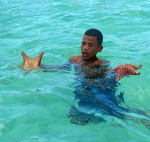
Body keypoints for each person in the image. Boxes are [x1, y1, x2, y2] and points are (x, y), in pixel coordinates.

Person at [20, 29, 150, 127]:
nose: (85, 48)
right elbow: (61, 68)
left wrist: (118, 71)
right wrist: (38, 66)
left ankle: (143, 118)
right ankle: (139, 114)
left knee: (116, 112)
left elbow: (107, 78)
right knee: (75, 118)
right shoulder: (74, 60)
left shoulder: (102, 63)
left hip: (99, 91)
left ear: (99, 48)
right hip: (83, 91)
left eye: (90, 45)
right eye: (83, 43)